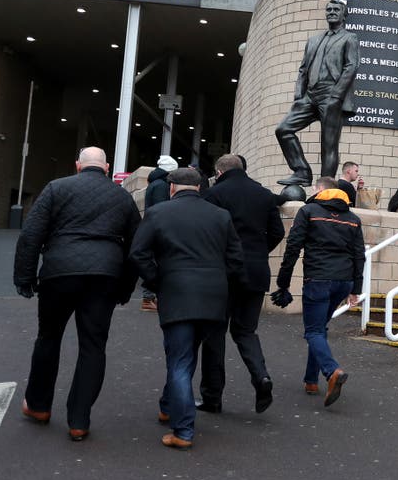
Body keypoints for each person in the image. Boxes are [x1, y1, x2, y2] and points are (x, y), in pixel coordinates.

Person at [13, 146, 141, 442]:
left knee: (48, 337)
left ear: (77, 166)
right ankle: (79, 420)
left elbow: (31, 235)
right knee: (93, 345)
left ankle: (38, 406)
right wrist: (124, 287)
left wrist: (25, 277)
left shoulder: (57, 188)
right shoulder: (122, 197)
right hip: (104, 276)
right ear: (107, 168)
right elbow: (136, 246)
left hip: (60, 272)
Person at [129, 167, 248, 450]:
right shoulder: (220, 216)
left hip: (177, 293)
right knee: (186, 355)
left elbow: (138, 254)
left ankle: (183, 430)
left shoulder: (159, 213)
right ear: (200, 188)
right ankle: (168, 406)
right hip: (213, 296)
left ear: (171, 188)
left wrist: (158, 281)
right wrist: (219, 281)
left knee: (179, 361)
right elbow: (235, 259)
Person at [199, 154, 286, 414]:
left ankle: (212, 397)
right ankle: (261, 376)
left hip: (222, 272)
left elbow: (208, 231)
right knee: (246, 331)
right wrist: (258, 252)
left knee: (214, 333)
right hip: (256, 271)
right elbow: (278, 232)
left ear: (219, 171)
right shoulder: (264, 194)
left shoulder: (215, 194)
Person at [273, 177, 364, 406]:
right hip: (342, 281)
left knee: (313, 331)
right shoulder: (353, 219)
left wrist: (282, 283)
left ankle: (331, 371)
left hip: (318, 279)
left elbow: (293, 247)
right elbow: (358, 255)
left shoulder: (309, 211)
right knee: (320, 329)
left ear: (319, 190)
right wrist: (356, 288)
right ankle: (311, 381)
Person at [274, 0, 360, 186]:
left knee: (328, 145)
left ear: (344, 14)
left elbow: (351, 67)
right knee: (283, 129)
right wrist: (299, 96)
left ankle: (325, 186)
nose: (331, 12)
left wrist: (337, 96)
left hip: (331, 94)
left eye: (336, 9)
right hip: (310, 95)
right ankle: (302, 171)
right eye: (328, 9)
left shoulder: (349, 38)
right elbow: (303, 69)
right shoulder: (314, 40)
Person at [140, 154, 179, 311]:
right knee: (157, 262)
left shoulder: (154, 183)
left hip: (152, 227)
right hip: (158, 229)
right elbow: (162, 209)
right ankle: (148, 298)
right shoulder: (162, 186)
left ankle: (149, 297)